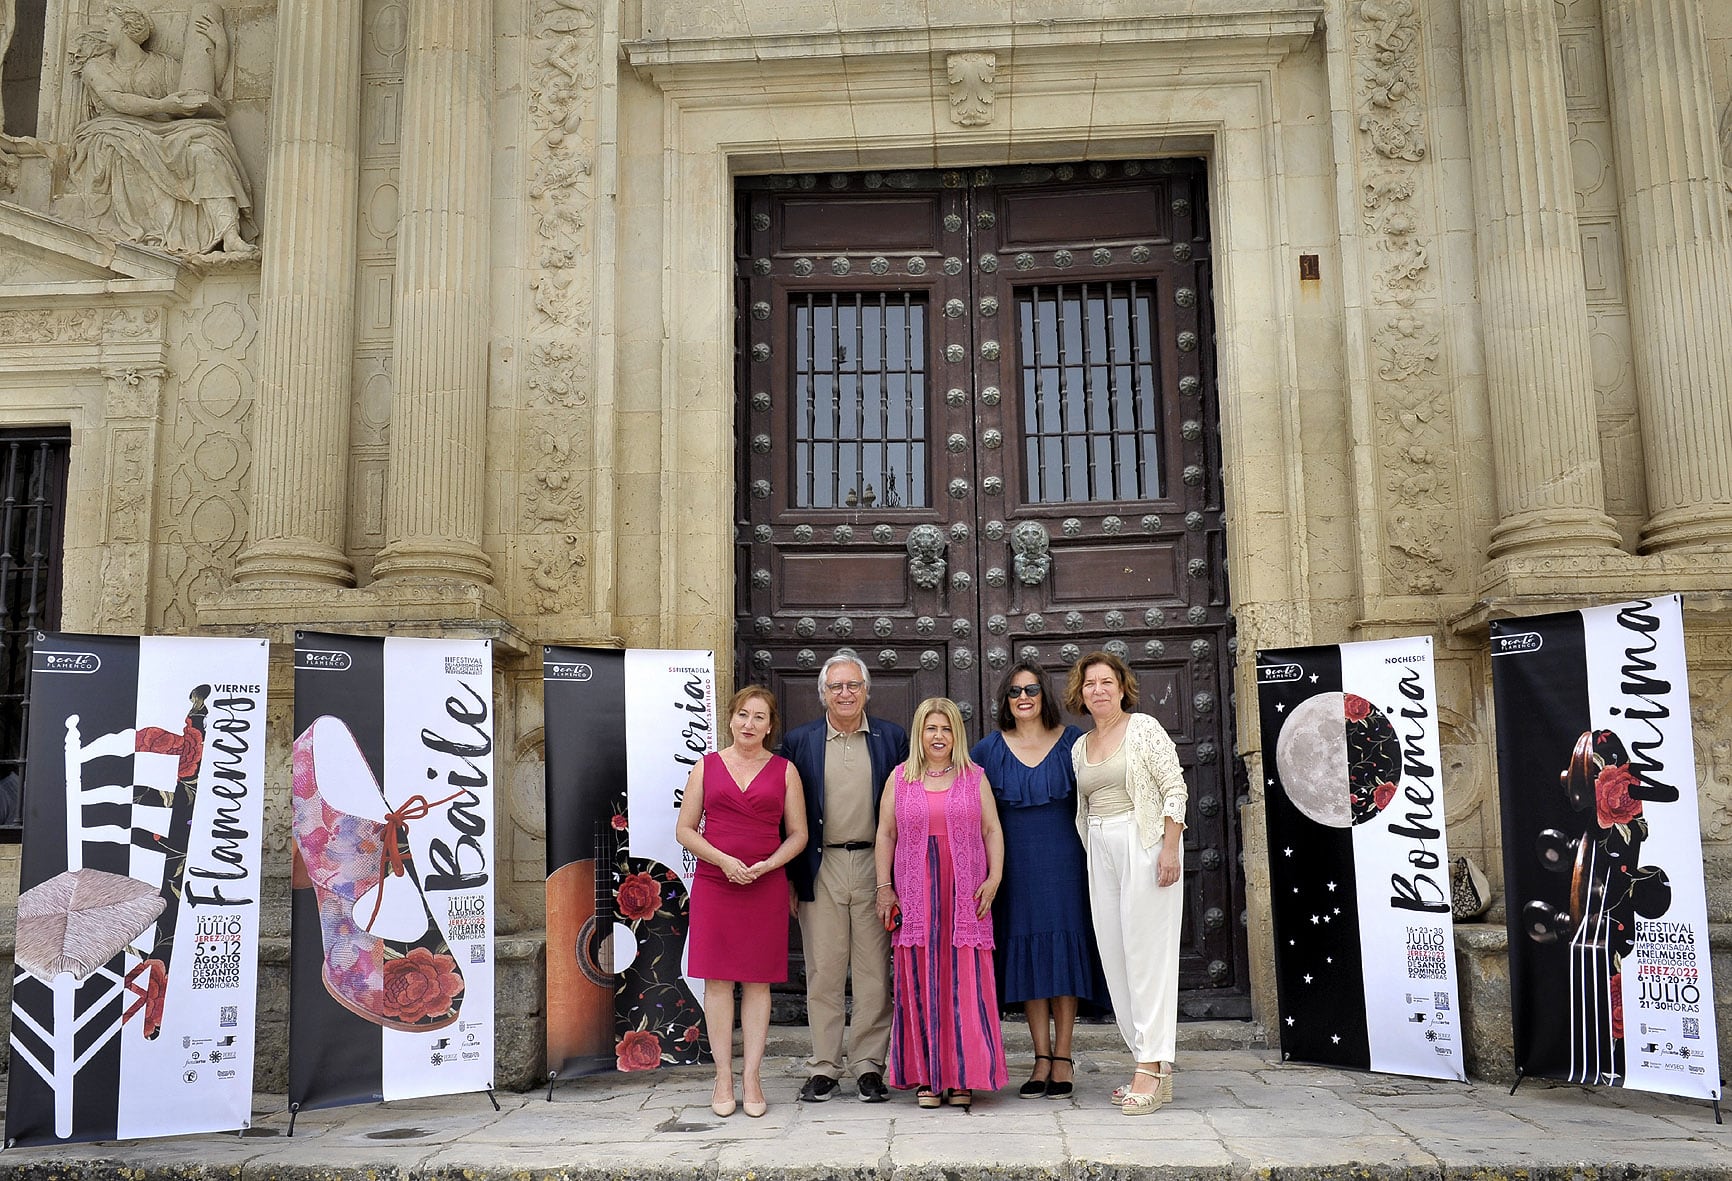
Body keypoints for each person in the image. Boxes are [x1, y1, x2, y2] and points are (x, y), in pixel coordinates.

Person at [969, 661, 1103, 1099]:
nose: (1023, 697)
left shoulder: (1074, 743)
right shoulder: (987, 750)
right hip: (1014, 869)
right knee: (1027, 955)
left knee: (1063, 954)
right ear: (1005, 701)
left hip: (1065, 863)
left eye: (1030, 689)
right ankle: (1039, 1057)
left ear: (1044, 694)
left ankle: (1063, 1057)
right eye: (1014, 692)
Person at [780, 653, 907, 1103]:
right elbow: (784, 815)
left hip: (877, 865)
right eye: (836, 687)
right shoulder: (800, 742)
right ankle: (825, 1067)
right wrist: (793, 879)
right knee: (824, 970)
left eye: (853, 685)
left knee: (875, 972)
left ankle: (870, 1066)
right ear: (823, 694)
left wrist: (896, 879)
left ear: (867, 690)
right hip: (822, 865)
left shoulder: (892, 739)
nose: (846, 693)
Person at [676, 686, 808, 1118]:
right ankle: (721, 1077)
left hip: (765, 885)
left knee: (757, 982)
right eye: (742, 715)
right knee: (717, 982)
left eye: (759, 717)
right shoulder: (706, 767)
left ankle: (752, 1077)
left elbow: (799, 834)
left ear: (770, 726)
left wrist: (769, 866)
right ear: (730, 719)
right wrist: (724, 861)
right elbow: (686, 829)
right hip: (717, 882)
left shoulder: (785, 770)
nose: (749, 724)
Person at [1066, 650, 1187, 1116]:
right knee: (1116, 956)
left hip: (1143, 842)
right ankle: (1149, 1061)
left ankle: (1150, 1070)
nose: (1098, 690)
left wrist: (1170, 848)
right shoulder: (1081, 746)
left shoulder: (1144, 729)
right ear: (1081, 692)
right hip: (1100, 848)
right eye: (1090, 683)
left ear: (1122, 687)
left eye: (1106, 682)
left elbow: (1174, 787)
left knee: (1146, 957)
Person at [874, 697, 1007, 1109]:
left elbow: (991, 830)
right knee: (919, 977)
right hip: (916, 892)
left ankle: (962, 1073)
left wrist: (994, 878)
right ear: (919, 733)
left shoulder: (974, 777)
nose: (938, 736)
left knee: (963, 978)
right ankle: (927, 1078)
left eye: (946, 729)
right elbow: (885, 835)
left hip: (964, 891)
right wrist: (884, 887)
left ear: (956, 735)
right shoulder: (900, 778)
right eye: (931, 728)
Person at [69, 3, 256, 255]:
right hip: (115, 128)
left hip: (163, 132)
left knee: (207, 149)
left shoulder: (163, 65)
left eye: (110, 22)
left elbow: (206, 87)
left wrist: (220, 45)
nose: (104, 27)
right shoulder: (97, 67)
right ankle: (154, 233)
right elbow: (116, 100)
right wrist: (163, 104)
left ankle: (229, 233)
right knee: (126, 144)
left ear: (127, 28)